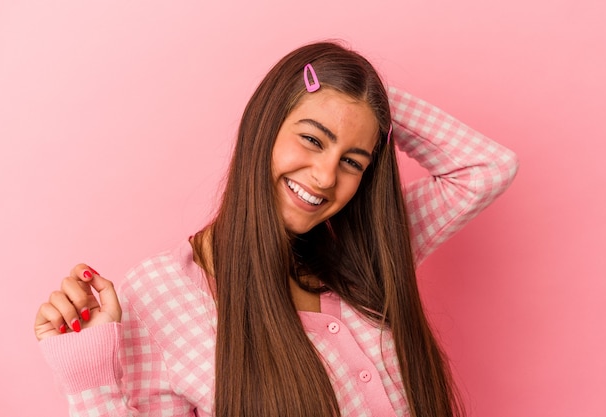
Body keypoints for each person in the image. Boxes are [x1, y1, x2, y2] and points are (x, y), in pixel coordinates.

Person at [35, 41, 518, 417]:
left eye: (353, 161)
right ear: (264, 125)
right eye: (312, 138)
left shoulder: (365, 253)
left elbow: (486, 168)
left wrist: (367, 99)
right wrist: (90, 382)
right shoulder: (163, 295)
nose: (326, 177)